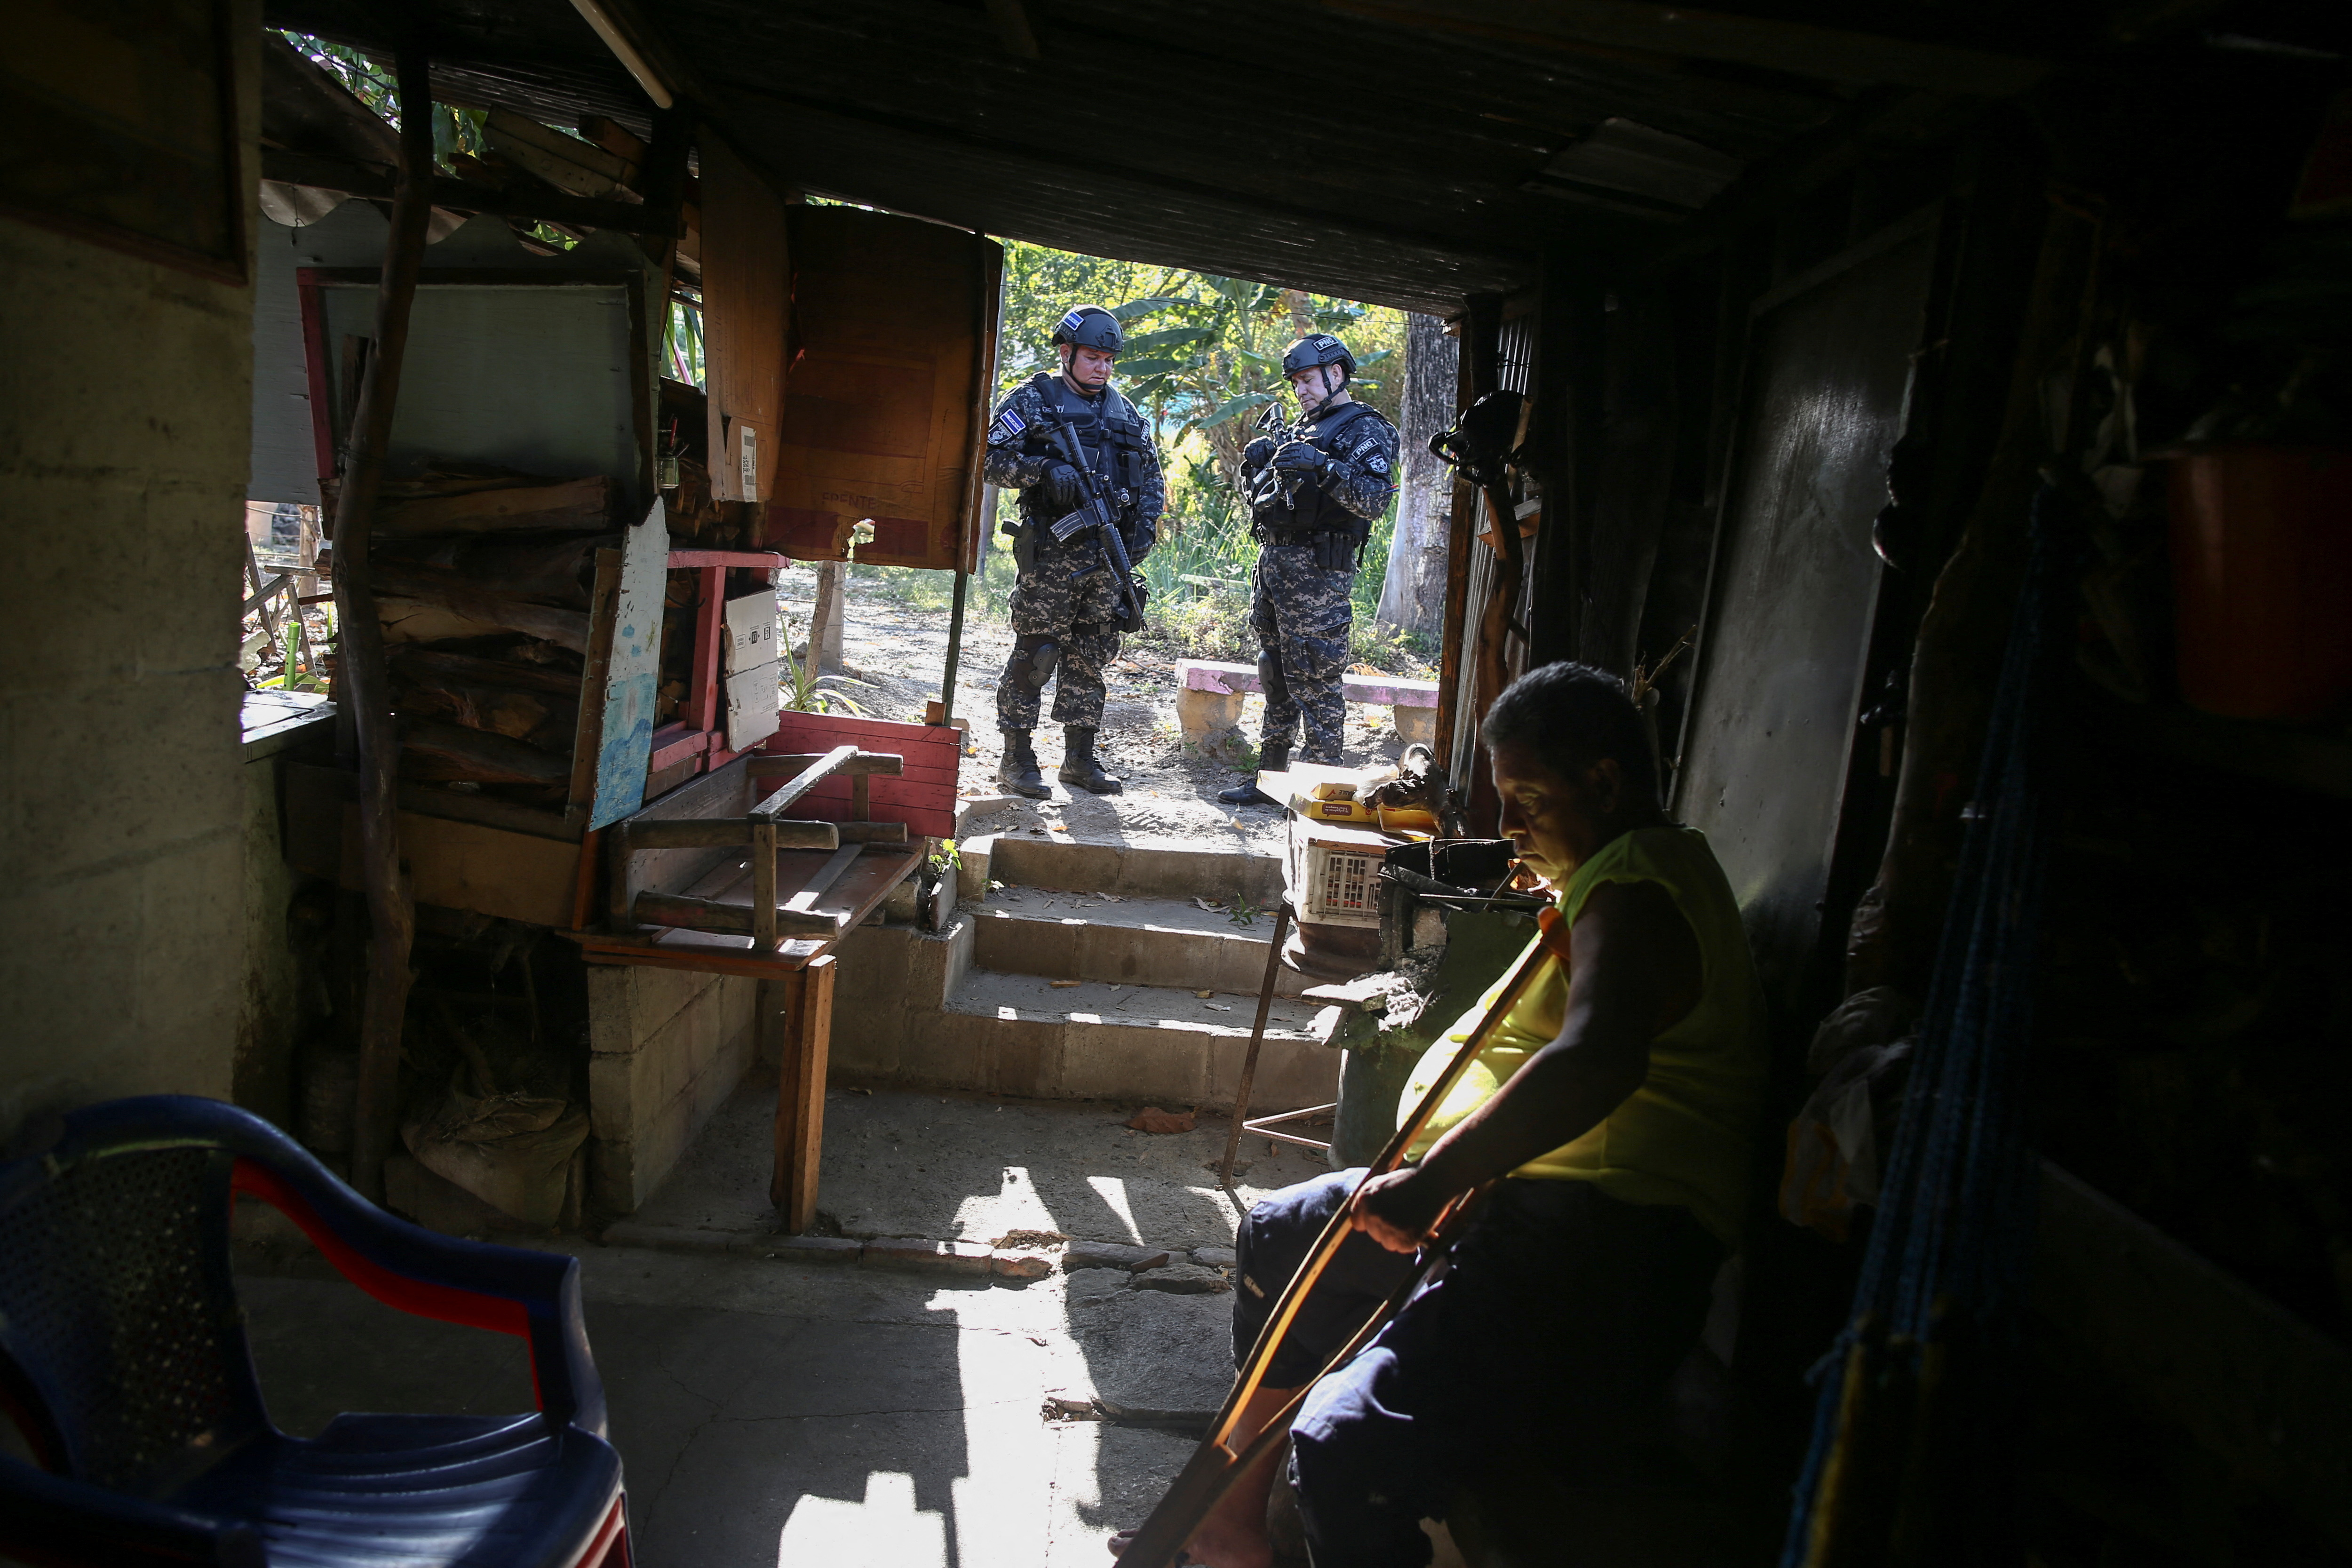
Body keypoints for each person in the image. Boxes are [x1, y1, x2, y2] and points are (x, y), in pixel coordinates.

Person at [1135, 661, 1768, 1568]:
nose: (1509, 825)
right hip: (1514, 1211)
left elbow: (1597, 1060)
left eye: (1528, 797)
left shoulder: (1636, 888)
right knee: (1282, 1235)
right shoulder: (1610, 881)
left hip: (1593, 1244)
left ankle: (1295, 1513)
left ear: (1604, 782)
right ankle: (1237, 1526)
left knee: (1343, 1450)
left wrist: (1434, 1179)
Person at [985, 304, 1165, 798]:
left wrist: (1142, 532)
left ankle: (1080, 759)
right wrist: (1042, 472)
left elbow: (1151, 478)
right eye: (1091, 357)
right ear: (1066, 353)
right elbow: (989, 459)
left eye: (1108, 359)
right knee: (1037, 651)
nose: (1101, 368)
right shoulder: (1033, 399)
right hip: (1051, 553)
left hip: (1108, 555)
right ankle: (1016, 758)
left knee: (1090, 654)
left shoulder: (1123, 410)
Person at [1216, 333, 1400, 807]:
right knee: (1274, 671)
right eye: (1294, 382)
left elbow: (1374, 500)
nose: (1300, 390)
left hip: (1320, 572)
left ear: (1335, 374)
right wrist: (1253, 468)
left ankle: (1320, 788)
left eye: (1307, 379)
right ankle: (1269, 779)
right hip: (1275, 564)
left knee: (1316, 679)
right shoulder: (1299, 429)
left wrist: (1324, 466)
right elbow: (1265, 503)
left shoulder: (1363, 429)